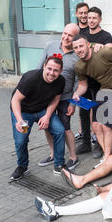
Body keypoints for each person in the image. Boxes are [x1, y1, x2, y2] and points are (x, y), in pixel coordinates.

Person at [69, 34, 112, 168]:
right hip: (104, 91)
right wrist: (76, 93)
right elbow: (83, 85)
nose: (79, 49)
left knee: (106, 125)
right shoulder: (79, 66)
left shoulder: (103, 52)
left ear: (88, 45)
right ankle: (108, 156)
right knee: (96, 126)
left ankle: (107, 158)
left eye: (81, 46)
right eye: (76, 48)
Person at [9, 56, 66, 180]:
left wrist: (47, 116)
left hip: (42, 110)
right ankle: (22, 166)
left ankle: (59, 164)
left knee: (60, 130)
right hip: (23, 112)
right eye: (49, 69)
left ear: (60, 71)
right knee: (21, 140)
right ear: (44, 66)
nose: (52, 73)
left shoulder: (61, 81)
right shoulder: (31, 78)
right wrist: (19, 120)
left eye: (56, 70)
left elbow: (56, 99)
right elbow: (15, 100)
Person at [35, 23, 80, 171]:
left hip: (65, 98)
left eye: (70, 35)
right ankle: (53, 154)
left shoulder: (77, 55)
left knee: (65, 128)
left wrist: (73, 103)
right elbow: (39, 66)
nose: (66, 37)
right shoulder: (51, 46)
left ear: (75, 38)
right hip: (46, 95)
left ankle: (73, 157)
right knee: (47, 126)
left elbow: (78, 82)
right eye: (65, 33)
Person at [77, 6, 112, 158]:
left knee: (99, 114)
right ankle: (85, 142)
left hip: (100, 84)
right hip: (85, 82)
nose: (91, 20)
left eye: (94, 18)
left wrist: (103, 47)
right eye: (89, 17)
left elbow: (111, 49)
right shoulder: (82, 35)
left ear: (100, 19)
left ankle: (98, 144)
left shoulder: (105, 36)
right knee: (83, 112)